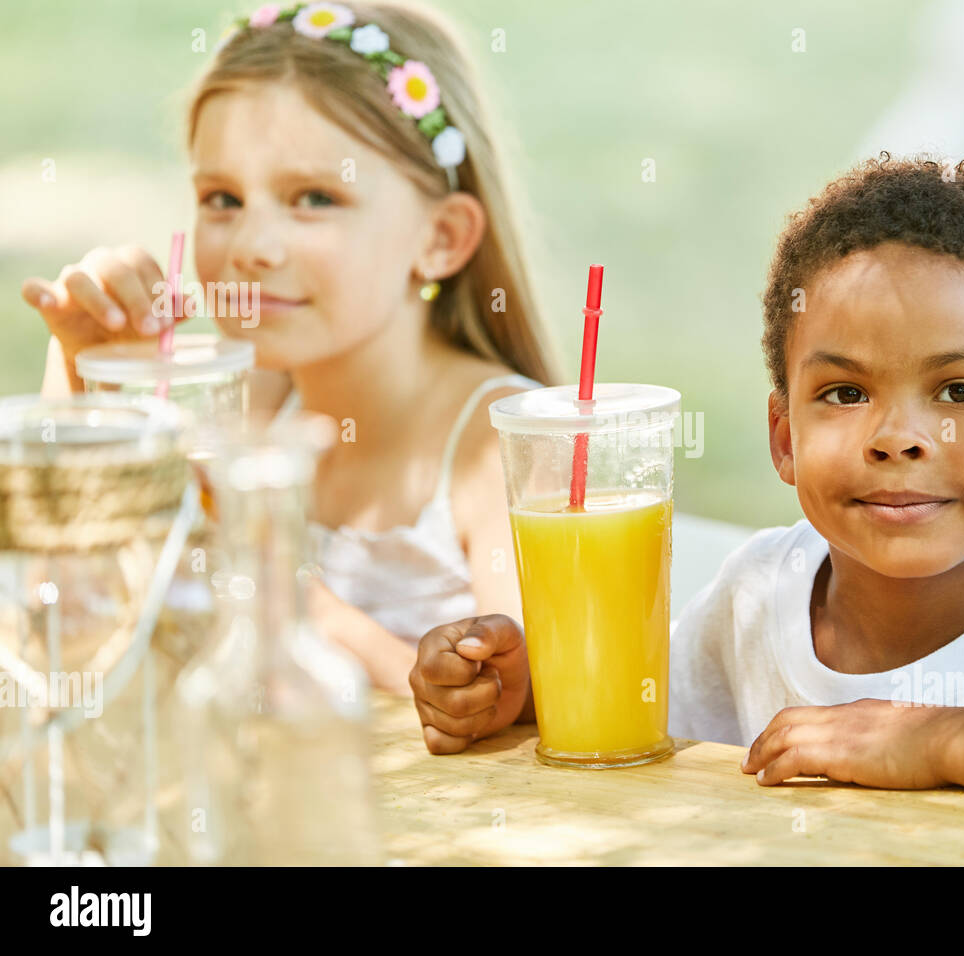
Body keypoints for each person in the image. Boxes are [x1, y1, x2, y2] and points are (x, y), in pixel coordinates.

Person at [410, 155, 964, 828]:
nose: (897, 436)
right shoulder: (759, 599)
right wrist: (521, 693)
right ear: (784, 437)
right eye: (844, 393)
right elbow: (637, 726)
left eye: (959, 390)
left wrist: (934, 740)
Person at [20, 1, 560, 696]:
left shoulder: (503, 443)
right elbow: (56, 627)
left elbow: (520, 706)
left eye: (313, 198)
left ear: (442, 238)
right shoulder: (241, 407)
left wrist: (290, 606)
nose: (251, 247)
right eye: (222, 198)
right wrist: (90, 381)